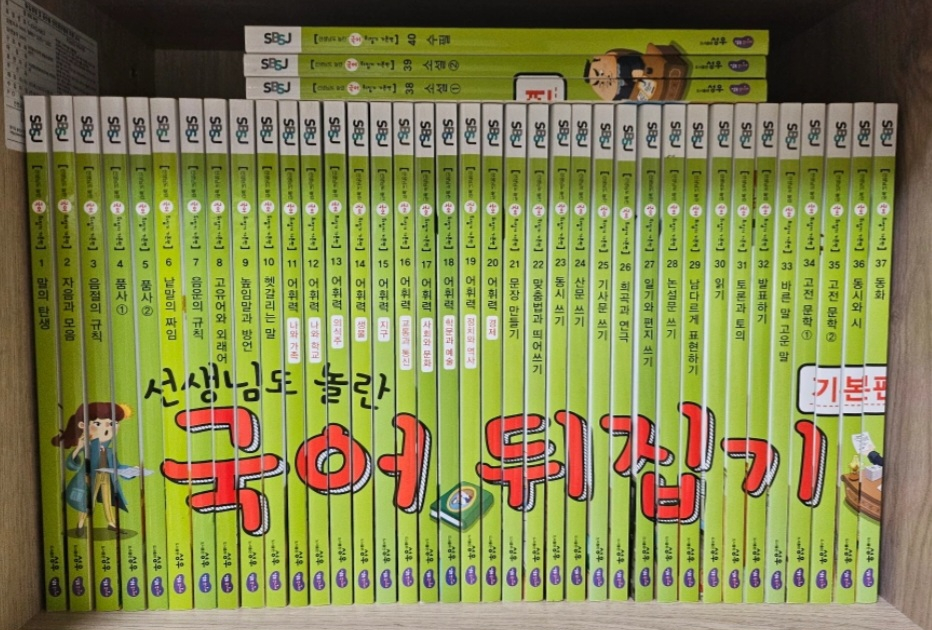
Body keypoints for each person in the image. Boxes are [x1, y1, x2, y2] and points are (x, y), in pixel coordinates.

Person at [52, 402, 133, 535]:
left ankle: (111, 523)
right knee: (88, 500)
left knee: (107, 500)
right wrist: (78, 447)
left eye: (112, 423)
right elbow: (70, 463)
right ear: (83, 425)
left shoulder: (109, 451)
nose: (107, 427)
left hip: (106, 477)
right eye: (98, 423)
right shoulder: (88, 446)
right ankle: (80, 524)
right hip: (90, 477)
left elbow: (117, 466)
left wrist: (131, 470)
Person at [584, 43, 688, 102]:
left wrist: (636, 68)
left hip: (649, 74)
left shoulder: (622, 63)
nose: (604, 78)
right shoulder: (616, 94)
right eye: (598, 82)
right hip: (639, 94)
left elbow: (634, 60)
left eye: (600, 73)